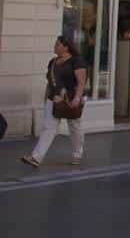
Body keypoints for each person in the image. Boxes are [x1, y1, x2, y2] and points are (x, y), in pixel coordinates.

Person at [21, 36, 87, 168]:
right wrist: (46, 99)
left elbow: (81, 82)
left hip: (71, 99)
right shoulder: (53, 62)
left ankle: (77, 154)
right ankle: (36, 157)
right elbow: (50, 83)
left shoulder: (76, 61)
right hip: (54, 98)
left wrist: (77, 99)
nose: (54, 46)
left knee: (75, 128)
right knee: (48, 127)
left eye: (57, 44)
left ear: (66, 47)